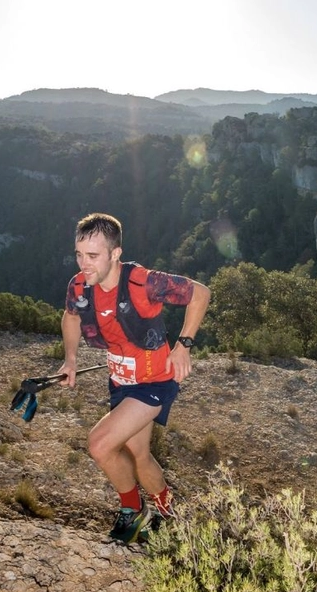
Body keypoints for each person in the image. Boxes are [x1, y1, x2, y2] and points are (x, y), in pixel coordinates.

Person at [57, 213, 211, 544]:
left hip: (155, 381)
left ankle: (133, 509)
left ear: (115, 254)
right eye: (79, 254)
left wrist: (183, 346)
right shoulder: (80, 286)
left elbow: (200, 293)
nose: (84, 264)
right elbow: (70, 317)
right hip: (122, 382)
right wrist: (70, 359)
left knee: (100, 444)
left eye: (93, 256)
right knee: (138, 456)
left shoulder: (144, 282)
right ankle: (171, 516)